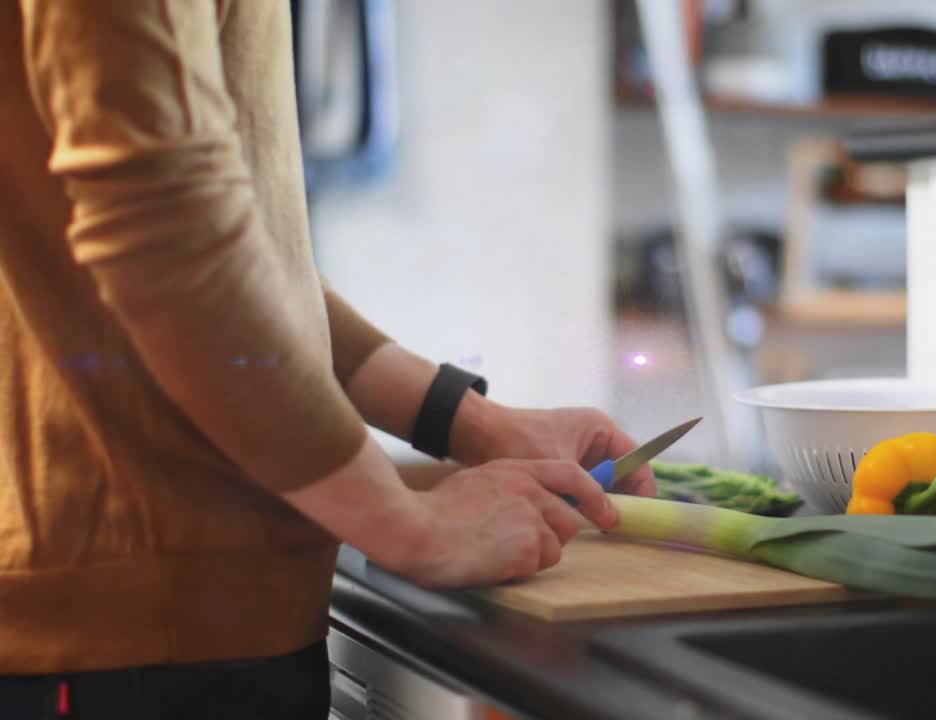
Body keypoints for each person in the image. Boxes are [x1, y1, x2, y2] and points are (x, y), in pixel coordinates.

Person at [0, 2, 655, 717]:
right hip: (135, 641)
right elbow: (171, 252)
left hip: (189, 620)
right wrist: (412, 526)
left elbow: (247, 272)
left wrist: (471, 422)